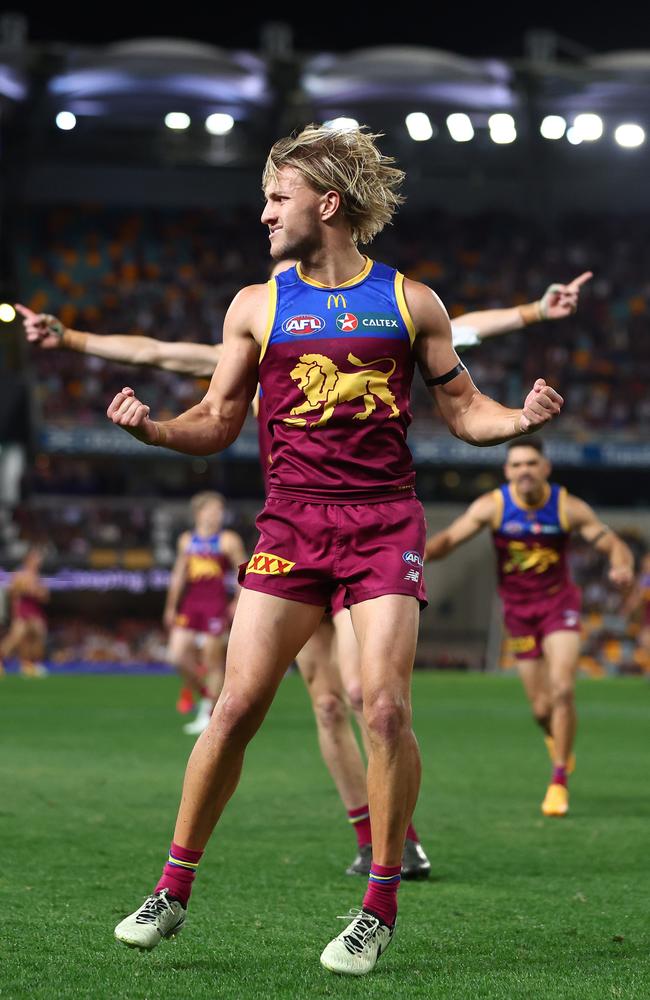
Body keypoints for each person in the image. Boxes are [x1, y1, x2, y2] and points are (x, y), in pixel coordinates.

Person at [102, 123, 562, 975]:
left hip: (386, 523)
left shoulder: (411, 301)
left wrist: (519, 422)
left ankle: (378, 904)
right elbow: (217, 420)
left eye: (277, 198)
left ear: (327, 202)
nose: (264, 213)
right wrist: (158, 431)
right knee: (236, 708)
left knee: (381, 708)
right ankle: (172, 888)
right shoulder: (257, 304)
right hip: (291, 525)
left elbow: (467, 412)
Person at [425, 438, 634, 817]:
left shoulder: (567, 507)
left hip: (559, 605)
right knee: (540, 708)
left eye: (531, 463)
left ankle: (558, 781)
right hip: (518, 612)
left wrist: (622, 566)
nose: (524, 470)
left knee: (563, 688)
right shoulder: (494, 506)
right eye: (517, 464)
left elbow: (613, 543)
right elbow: (449, 539)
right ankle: (558, 740)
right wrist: (413, 553)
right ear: (507, 471)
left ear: (545, 468)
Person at [164, 492, 246, 735]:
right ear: (199, 513)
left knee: (212, 661)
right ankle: (205, 694)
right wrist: (170, 606)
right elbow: (178, 575)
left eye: (220, 510)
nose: (217, 514)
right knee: (175, 656)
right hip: (191, 604)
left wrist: (237, 602)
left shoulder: (228, 540)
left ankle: (207, 712)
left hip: (215, 605)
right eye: (212, 509)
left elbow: (244, 572)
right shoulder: (186, 540)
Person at [0, 547, 49, 677]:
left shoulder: (37, 577)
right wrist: (24, 590)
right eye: (36, 558)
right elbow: (13, 594)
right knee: (15, 638)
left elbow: (45, 597)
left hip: (35, 611)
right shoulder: (20, 574)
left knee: (36, 638)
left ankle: (28, 664)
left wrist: (39, 592)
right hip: (23, 610)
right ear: (29, 560)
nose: (39, 561)